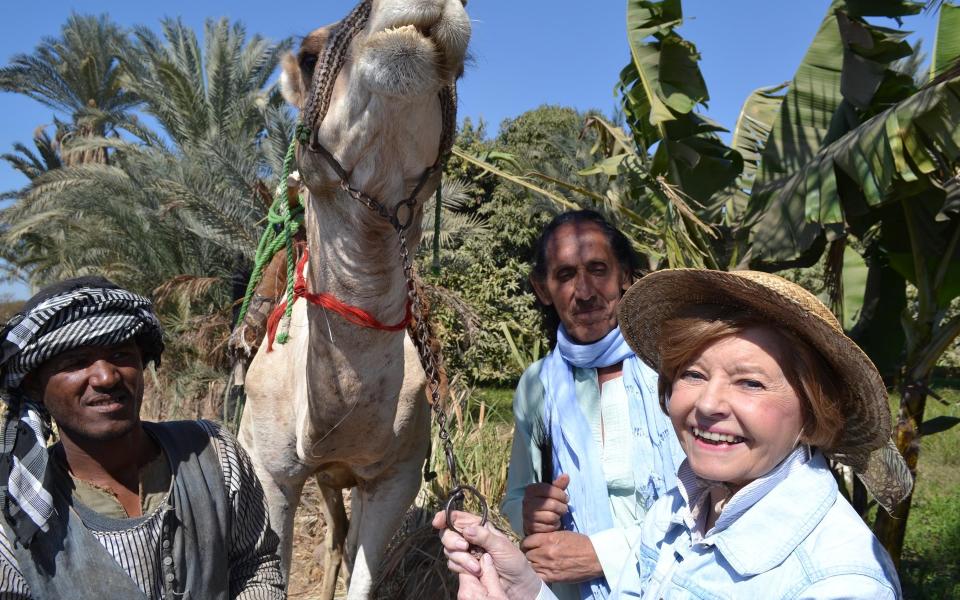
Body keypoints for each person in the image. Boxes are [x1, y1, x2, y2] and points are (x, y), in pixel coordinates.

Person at [438, 269, 911, 599]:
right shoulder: (678, 512)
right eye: (692, 374)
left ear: (812, 415)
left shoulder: (836, 582)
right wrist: (521, 588)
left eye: (750, 382)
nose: (707, 405)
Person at [0, 276, 285, 599]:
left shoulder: (213, 453)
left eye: (121, 355)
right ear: (35, 385)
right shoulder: (16, 516)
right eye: (77, 362)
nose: (106, 377)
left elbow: (255, 566)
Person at [501, 210, 684, 600]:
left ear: (626, 277)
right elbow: (515, 499)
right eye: (565, 275)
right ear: (542, 289)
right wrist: (531, 513)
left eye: (598, 269)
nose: (584, 292)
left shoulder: (674, 368)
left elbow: (713, 502)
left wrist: (603, 555)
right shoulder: (538, 385)